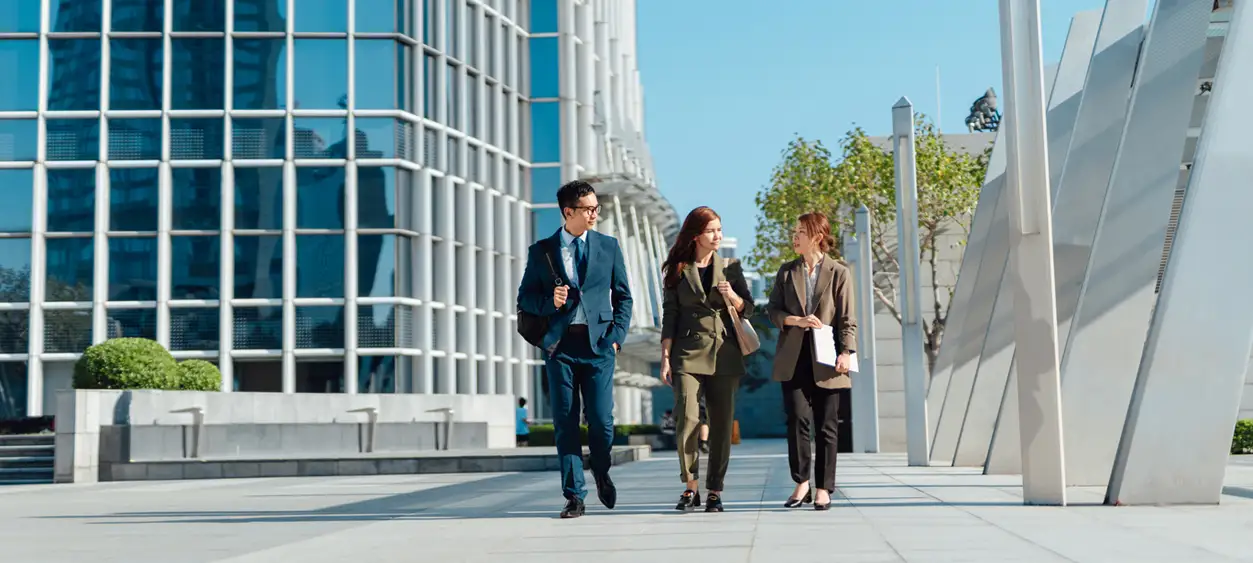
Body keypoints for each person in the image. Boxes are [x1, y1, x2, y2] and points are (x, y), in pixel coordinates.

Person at [516, 180, 633, 519]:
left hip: (599, 345)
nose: (595, 213)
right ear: (569, 212)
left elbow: (624, 296)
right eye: (588, 209)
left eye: (596, 208)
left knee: (601, 420)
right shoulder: (542, 251)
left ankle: (601, 468)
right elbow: (524, 297)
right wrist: (548, 301)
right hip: (560, 346)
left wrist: (616, 335)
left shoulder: (609, 246)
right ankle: (574, 496)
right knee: (565, 423)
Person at [659, 206, 755, 513]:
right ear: (697, 235)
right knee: (687, 418)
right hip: (686, 352)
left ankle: (715, 489)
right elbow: (670, 316)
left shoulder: (731, 267)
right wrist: (664, 357)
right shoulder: (677, 269)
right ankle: (691, 486)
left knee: (721, 422)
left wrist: (734, 298)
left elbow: (749, 309)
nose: (718, 235)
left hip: (725, 353)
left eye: (720, 229)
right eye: (712, 230)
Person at [766, 211, 856, 512]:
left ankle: (823, 488)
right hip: (793, 358)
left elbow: (847, 319)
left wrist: (847, 352)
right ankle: (801, 482)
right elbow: (773, 311)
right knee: (797, 421)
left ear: (816, 236)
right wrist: (796, 320)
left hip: (828, 358)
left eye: (800, 232)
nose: (795, 237)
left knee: (827, 426)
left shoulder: (839, 273)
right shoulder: (786, 271)